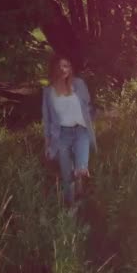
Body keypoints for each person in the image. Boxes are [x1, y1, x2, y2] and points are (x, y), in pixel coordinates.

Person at [42, 56, 97, 207]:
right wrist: (48, 143)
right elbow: (47, 120)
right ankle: (71, 206)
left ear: (70, 68)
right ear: (54, 69)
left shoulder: (78, 84)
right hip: (61, 135)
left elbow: (88, 105)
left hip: (81, 131)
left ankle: (81, 191)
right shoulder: (48, 92)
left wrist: (89, 119)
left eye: (66, 66)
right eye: (59, 66)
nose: (63, 69)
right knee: (67, 175)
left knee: (80, 167)